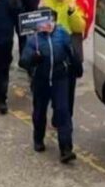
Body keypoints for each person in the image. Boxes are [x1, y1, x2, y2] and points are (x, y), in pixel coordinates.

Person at [20, 10, 80, 164]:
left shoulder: (62, 34)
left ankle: (66, 148)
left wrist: (76, 66)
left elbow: (72, 52)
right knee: (40, 110)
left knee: (62, 111)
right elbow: (24, 61)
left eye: (49, 21)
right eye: (42, 22)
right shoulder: (34, 39)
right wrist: (34, 58)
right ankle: (38, 138)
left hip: (60, 78)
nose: (46, 25)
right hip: (41, 79)